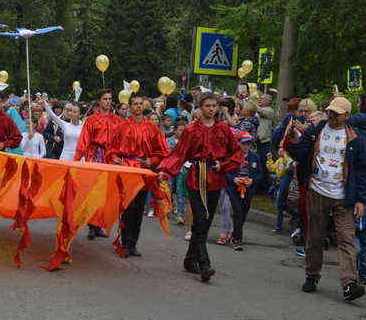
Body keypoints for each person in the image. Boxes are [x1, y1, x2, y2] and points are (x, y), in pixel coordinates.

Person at [286, 96, 366, 301]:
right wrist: (291, 139)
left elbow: (361, 171)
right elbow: (300, 153)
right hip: (318, 192)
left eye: (337, 113)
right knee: (315, 237)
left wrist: (360, 200)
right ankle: (312, 275)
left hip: (343, 197)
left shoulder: (355, 139)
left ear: (347, 116)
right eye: (330, 112)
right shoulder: (317, 130)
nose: (332, 116)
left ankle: (350, 283)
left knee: (346, 238)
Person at [158, 92, 243, 283]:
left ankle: (189, 260)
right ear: (200, 107)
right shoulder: (191, 130)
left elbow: (236, 152)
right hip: (196, 178)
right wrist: (166, 170)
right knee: (201, 221)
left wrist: (225, 165)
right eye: (207, 106)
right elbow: (179, 154)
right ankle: (204, 264)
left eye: (214, 106)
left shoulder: (223, 129)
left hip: (215, 178)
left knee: (203, 222)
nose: (211, 109)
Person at [107, 94, 169, 257]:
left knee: (139, 206)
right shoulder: (122, 126)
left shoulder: (152, 128)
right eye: (135, 103)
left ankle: (133, 243)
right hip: (127, 170)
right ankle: (125, 241)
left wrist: (151, 161)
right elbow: (112, 149)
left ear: (144, 106)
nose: (138, 106)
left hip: (143, 171)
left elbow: (162, 151)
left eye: (141, 103)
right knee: (128, 206)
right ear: (130, 106)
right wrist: (116, 159)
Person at [74, 89, 122, 238]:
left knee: (106, 192)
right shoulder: (91, 120)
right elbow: (84, 140)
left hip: (111, 157)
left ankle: (99, 223)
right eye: (105, 99)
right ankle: (91, 224)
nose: (108, 101)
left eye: (110, 99)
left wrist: (120, 156)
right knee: (94, 191)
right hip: (95, 156)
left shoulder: (117, 120)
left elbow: (121, 140)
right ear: (99, 101)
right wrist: (77, 159)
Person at [225, 132, 262, 251]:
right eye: (243, 143)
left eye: (248, 144)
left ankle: (235, 234)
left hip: (248, 190)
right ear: (238, 143)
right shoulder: (232, 156)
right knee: (238, 212)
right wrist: (233, 179)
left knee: (244, 212)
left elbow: (260, 174)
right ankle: (237, 240)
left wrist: (252, 181)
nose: (246, 146)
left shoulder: (254, 157)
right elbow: (224, 172)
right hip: (234, 189)